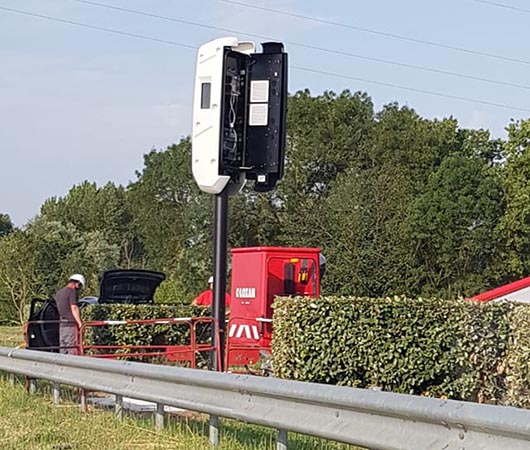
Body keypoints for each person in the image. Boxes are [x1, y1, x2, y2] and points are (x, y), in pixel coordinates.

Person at [55, 274, 85, 355]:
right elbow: (74, 308)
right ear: (77, 284)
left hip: (62, 325)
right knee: (71, 349)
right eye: (80, 286)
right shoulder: (71, 292)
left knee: (63, 348)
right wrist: (80, 323)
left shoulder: (59, 293)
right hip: (70, 325)